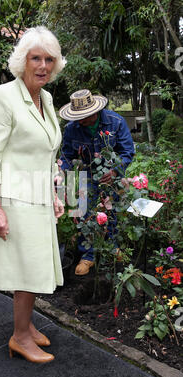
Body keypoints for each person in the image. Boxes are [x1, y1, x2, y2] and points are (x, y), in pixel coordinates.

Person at [0, 26, 66, 363]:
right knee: (26, 272)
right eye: (35, 58)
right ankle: (19, 337)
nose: (42, 65)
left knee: (37, 269)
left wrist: (55, 193)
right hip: (14, 201)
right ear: (22, 61)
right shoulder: (4, 96)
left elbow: (48, 153)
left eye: (48, 59)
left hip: (39, 199)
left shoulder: (47, 98)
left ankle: (26, 327)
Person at [58, 89, 135, 275]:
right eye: (78, 117)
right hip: (86, 176)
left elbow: (127, 152)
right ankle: (87, 256)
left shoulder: (115, 122)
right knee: (84, 214)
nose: (80, 120)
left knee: (112, 212)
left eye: (84, 116)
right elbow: (66, 156)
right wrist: (62, 176)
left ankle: (112, 247)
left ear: (95, 112)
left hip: (111, 178)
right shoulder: (71, 129)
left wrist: (116, 171)